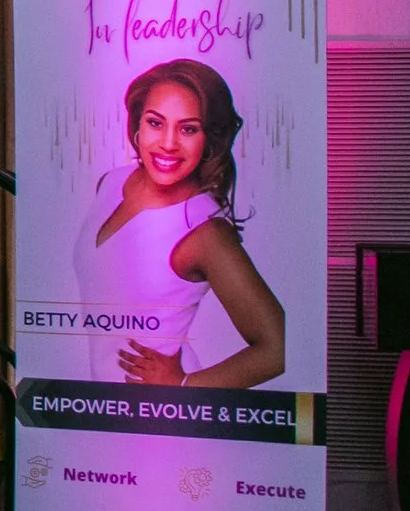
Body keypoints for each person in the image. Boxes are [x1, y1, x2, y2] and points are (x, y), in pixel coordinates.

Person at [69, 59, 283, 388]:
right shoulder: (112, 182)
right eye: (156, 123)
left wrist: (183, 385)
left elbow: (277, 349)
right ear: (137, 125)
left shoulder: (205, 232)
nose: (169, 143)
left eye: (188, 129)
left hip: (160, 419)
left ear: (208, 138)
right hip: (101, 406)